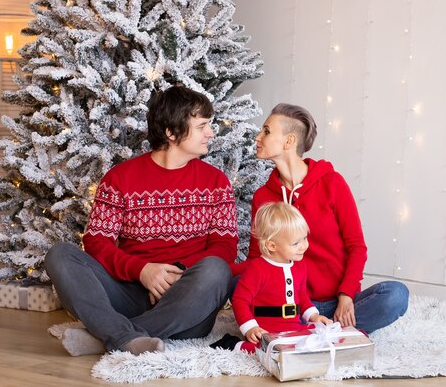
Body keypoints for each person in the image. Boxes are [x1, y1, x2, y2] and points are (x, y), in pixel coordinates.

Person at [45, 85, 238, 356]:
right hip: (129, 293)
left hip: (187, 304)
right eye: (202, 126)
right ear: (171, 133)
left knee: (217, 269)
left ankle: (110, 337)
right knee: (60, 255)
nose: (210, 133)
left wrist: (175, 275)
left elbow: (225, 246)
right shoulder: (120, 178)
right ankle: (124, 335)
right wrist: (143, 271)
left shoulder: (216, 182)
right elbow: (97, 241)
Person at [232, 103, 409, 335]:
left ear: (289, 141)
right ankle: (329, 334)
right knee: (235, 287)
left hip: (336, 302)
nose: (258, 137)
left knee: (395, 295)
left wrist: (346, 295)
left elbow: (357, 247)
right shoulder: (264, 197)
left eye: (266, 131)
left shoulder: (332, 183)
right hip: (289, 305)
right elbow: (258, 258)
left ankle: (318, 331)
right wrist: (212, 274)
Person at [211, 202, 332, 353]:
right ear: (272, 246)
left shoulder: (299, 266)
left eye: (305, 238)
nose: (304, 246)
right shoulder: (258, 269)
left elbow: (301, 295)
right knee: (263, 350)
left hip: (293, 327)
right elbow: (240, 300)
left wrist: (313, 316)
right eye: (295, 243)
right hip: (267, 330)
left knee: (319, 338)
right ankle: (233, 344)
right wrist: (250, 327)